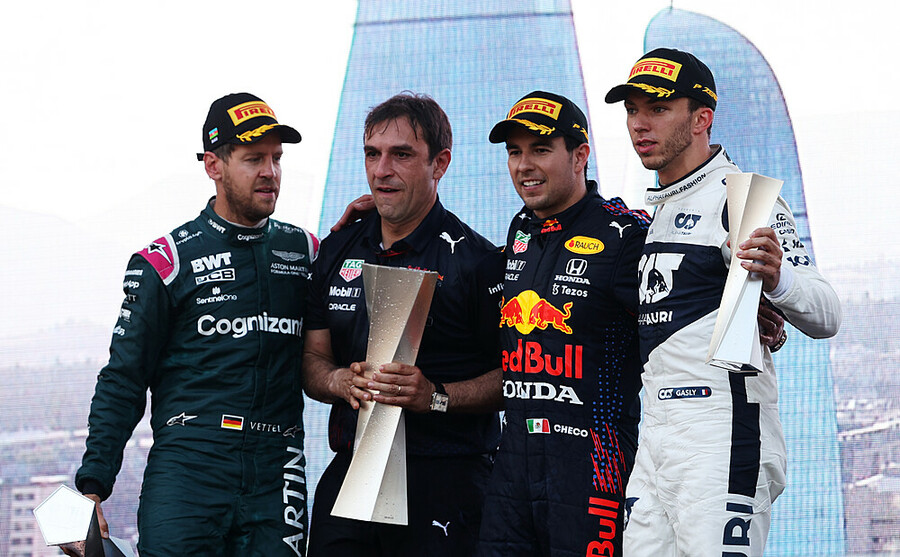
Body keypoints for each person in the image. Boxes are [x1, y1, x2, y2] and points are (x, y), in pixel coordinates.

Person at [605, 48, 842, 555]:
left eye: (658, 109)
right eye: (632, 110)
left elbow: (827, 313)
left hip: (721, 433)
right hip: (657, 439)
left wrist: (777, 279)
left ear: (701, 119)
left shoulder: (743, 198)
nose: (640, 124)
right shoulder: (661, 209)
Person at [74, 92, 316, 557]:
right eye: (254, 159)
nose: (270, 172)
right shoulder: (165, 261)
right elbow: (123, 379)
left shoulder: (306, 252)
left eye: (277, 158)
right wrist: (93, 485)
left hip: (278, 466)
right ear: (213, 165)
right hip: (189, 465)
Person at [302, 92, 504, 556]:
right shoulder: (337, 249)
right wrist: (338, 381)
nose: (382, 170)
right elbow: (313, 358)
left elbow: (517, 376)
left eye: (402, 155)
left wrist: (435, 396)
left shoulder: (477, 261)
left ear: (440, 164)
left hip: (447, 477)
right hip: (355, 469)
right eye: (372, 154)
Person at [475, 91, 650, 557]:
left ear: (580, 155)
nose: (524, 165)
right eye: (514, 152)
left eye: (540, 149)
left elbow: (682, 320)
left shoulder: (625, 233)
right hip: (512, 467)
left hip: (592, 465)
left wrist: (761, 312)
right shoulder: (520, 229)